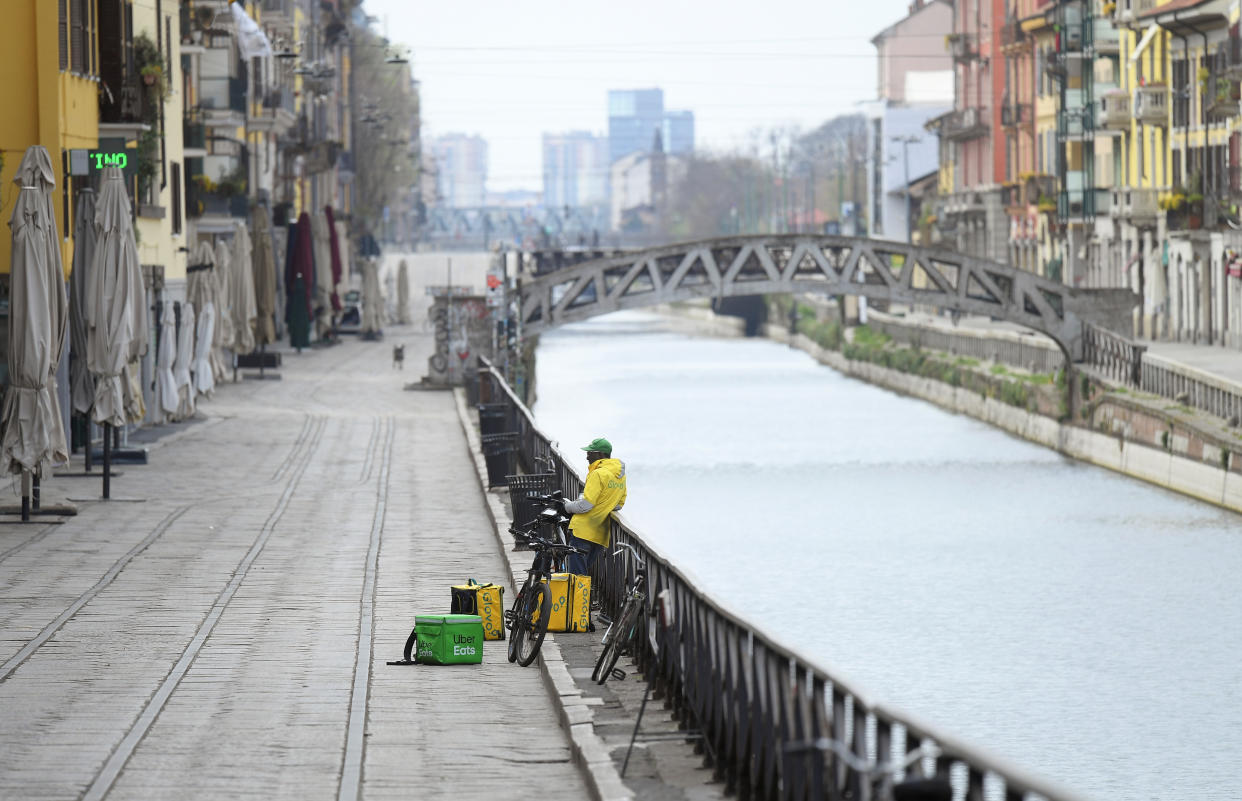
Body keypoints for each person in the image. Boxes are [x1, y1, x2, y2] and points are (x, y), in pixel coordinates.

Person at [562, 437, 626, 575]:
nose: (587, 457)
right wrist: (603, 507)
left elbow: (586, 505)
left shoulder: (598, 474)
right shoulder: (620, 476)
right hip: (600, 533)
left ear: (600, 454)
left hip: (582, 531)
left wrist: (566, 507)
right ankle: (582, 597)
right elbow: (619, 505)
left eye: (590, 453)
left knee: (577, 576)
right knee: (583, 575)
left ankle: (576, 597)